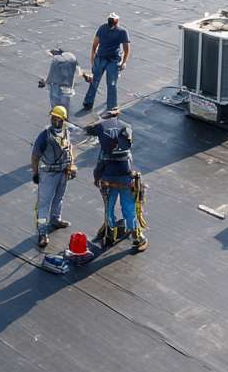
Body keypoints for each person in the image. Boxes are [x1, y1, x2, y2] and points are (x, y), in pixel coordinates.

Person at [86, 114, 147, 253]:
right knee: (128, 210)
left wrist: (97, 178)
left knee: (110, 210)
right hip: (125, 181)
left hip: (110, 182)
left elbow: (99, 166)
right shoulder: (126, 149)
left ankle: (110, 235)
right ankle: (137, 237)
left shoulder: (105, 151)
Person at [31, 106, 77, 249]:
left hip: (63, 173)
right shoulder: (44, 136)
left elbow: (69, 149)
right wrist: (35, 174)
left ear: (63, 120)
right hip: (48, 175)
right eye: (53, 117)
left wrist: (71, 165)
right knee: (44, 204)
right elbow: (35, 156)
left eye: (58, 118)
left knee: (59, 198)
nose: (54, 119)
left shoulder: (66, 132)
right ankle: (43, 232)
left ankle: (55, 220)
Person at [81, 13, 130, 115]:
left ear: (116, 22)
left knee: (111, 84)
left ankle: (111, 107)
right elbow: (95, 45)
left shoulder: (122, 32)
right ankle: (88, 102)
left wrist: (124, 62)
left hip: (113, 61)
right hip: (101, 59)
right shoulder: (103, 28)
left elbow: (127, 49)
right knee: (95, 81)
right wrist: (93, 60)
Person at [41, 48, 81, 116]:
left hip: (55, 86)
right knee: (65, 105)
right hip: (67, 87)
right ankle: (64, 116)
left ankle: (55, 113)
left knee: (55, 102)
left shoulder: (56, 60)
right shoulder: (72, 57)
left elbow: (51, 74)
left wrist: (45, 82)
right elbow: (78, 72)